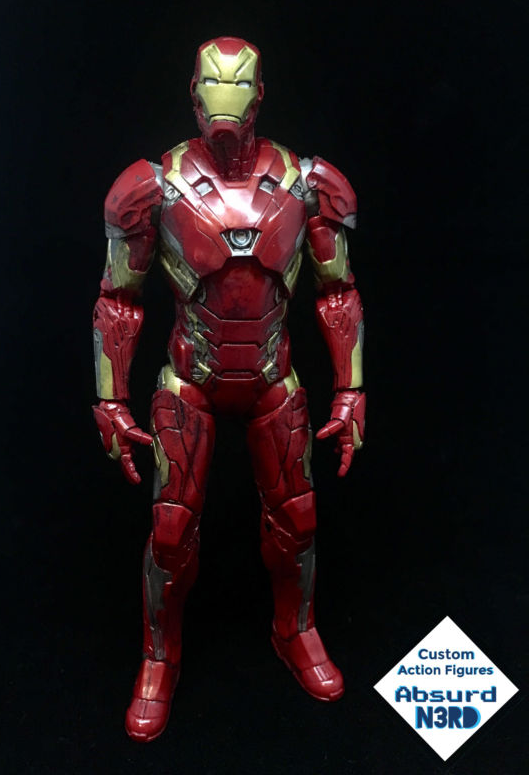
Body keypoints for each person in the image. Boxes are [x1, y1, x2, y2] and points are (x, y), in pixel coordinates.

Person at [92, 36, 366, 742]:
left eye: (239, 85)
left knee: (298, 519)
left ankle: (295, 629)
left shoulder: (306, 184)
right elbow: (119, 299)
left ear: (260, 93)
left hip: (273, 377)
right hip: (192, 379)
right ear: (192, 92)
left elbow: (338, 291)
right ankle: (160, 656)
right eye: (213, 84)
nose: (225, 100)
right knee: (170, 529)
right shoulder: (154, 187)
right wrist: (110, 399)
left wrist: (351, 389)